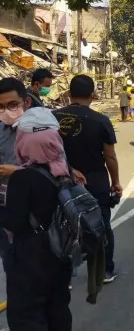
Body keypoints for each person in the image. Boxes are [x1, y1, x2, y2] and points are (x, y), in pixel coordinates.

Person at [0, 108, 73, 331]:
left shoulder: (23, 177)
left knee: (27, 314)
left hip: (30, 256)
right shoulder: (63, 169)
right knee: (58, 307)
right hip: (60, 251)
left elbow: (13, 222)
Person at [53, 75, 122, 284]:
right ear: (92, 94)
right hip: (95, 180)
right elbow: (109, 156)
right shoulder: (100, 120)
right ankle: (104, 271)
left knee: (61, 226)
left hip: (61, 179)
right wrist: (116, 182)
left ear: (69, 94)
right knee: (100, 225)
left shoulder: (52, 118)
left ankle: (64, 276)